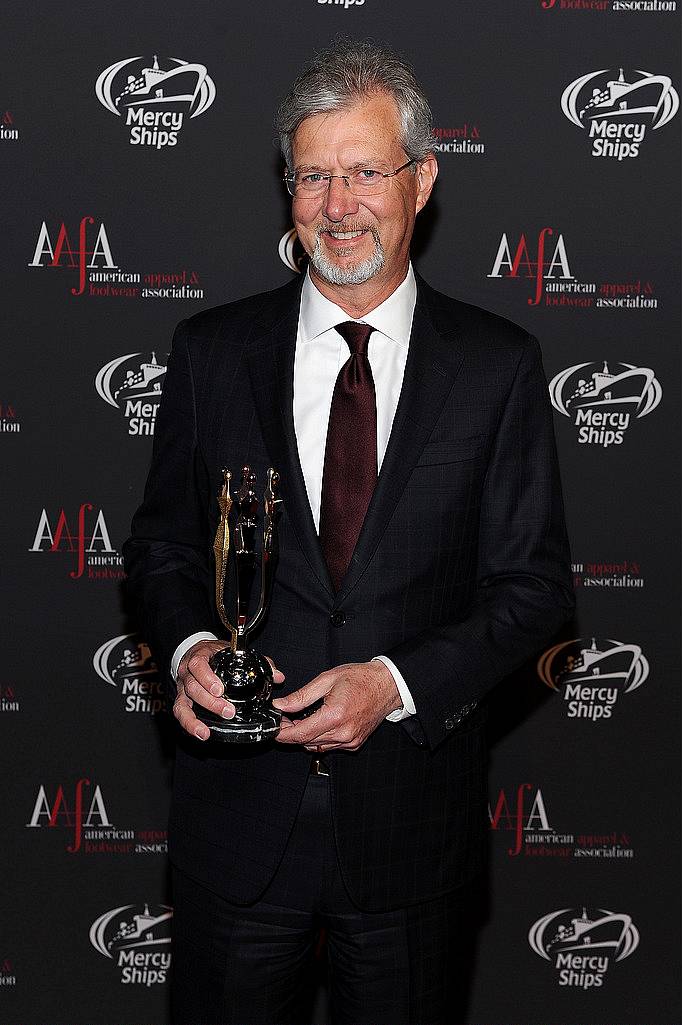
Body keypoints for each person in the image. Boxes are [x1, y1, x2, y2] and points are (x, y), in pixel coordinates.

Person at [124, 39, 574, 1025]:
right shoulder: (211, 352)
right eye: (314, 175)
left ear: (422, 178)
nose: (338, 204)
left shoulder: (496, 365)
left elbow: (533, 589)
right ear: (288, 189)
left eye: (365, 170)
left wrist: (398, 683)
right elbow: (160, 546)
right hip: (239, 827)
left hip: (409, 833)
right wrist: (196, 645)